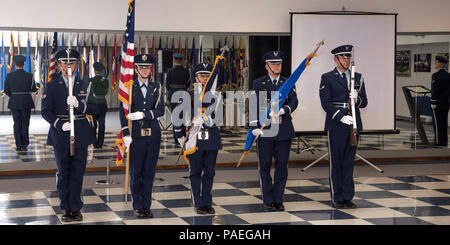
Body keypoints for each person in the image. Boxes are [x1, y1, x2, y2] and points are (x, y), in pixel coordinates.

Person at [41, 49, 98, 222]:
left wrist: (81, 106)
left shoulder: (85, 84)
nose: (68, 66)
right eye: (65, 63)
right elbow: (45, 111)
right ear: (58, 65)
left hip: (80, 131)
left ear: (76, 64)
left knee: (78, 171)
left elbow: (96, 109)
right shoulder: (51, 85)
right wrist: (59, 123)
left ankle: (76, 207)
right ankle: (66, 208)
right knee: (64, 171)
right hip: (61, 133)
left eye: (72, 62)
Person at [319, 44, 368, 209]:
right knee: (337, 162)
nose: (346, 60)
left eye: (348, 57)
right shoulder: (327, 77)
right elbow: (325, 103)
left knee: (349, 162)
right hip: (336, 125)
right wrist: (340, 117)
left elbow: (364, 102)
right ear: (336, 59)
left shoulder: (358, 77)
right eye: (343, 57)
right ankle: (337, 196)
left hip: (353, 125)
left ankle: (348, 196)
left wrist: (357, 99)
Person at [250, 51, 298, 211]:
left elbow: (294, 100)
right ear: (267, 66)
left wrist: (285, 110)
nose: (277, 66)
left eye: (279, 63)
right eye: (274, 63)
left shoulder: (288, 82)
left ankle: (279, 199)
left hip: (283, 130)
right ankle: (268, 199)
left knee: (282, 167)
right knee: (264, 166)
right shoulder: (259, 83)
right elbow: (253, 106)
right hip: (265, 131)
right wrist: (254, 128)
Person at [119, 54, 165, 218]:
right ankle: (138, 205)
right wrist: (125, 132)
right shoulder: (129, 87)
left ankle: (147, 204)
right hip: (136, 134)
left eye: (148, 67)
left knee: (149, 171)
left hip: (153, 134)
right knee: (136, 171)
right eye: (142, 67)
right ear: (136, 69)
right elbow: (122, 111)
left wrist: (144, 114)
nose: (145, 70)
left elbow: (160, 110)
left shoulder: (156, 87)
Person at [175, 63, 222, 215]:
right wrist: (180, 137)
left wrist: (207, 120)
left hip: (211, 139)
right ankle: (198, 202)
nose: (205, 79)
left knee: (209, 172)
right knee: (195, 172)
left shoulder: (216, 95)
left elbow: (219, 118)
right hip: (194, 139)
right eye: (202, 76)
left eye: (208, 76)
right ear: (196, 78)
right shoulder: (187, 95)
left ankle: (207, 201)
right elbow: (179, 117)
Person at [4, 55, 37, 151]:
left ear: (14, 64)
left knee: (17, 123)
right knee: (25, 123)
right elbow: (34, 89)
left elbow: (6, 90)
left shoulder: (9, 76)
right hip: (26, 101)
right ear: (24, 64)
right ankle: (24, 145)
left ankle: (18, 144)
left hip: (14, 102)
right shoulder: (29, 76)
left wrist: (14, 96)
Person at [166, 53, 191, 144]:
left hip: (173, 95)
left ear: (174, 61)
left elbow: (167, 84)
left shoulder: (170, 71)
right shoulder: (187, 71)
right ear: (182, 61)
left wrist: (172, 91)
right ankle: (183, 135)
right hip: (184, 94)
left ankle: (176, 137)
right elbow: (188, 84)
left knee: (175, 116)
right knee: (183, 116)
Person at [87, 62, 109, 148]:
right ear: (102, 71)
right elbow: (106, 92)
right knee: (102, 124)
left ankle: (94, 142)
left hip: (93, 105)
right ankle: (100, 143)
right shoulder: (106, 81)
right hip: (103, 105)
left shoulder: (91, 81)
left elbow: (88, 94)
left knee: (93, 125)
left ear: (95, 70)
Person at [430, 55, 450, 146]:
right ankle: (444, 140)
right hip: (446, 103)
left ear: (440, 64)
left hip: (437, 103)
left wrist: (433, 101)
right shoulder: (448, 76)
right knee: (444, 123)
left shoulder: (435, 76)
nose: (435, 64)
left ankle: (438, 141)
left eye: (436, 62)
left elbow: (435, 90)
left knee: (437, 123)